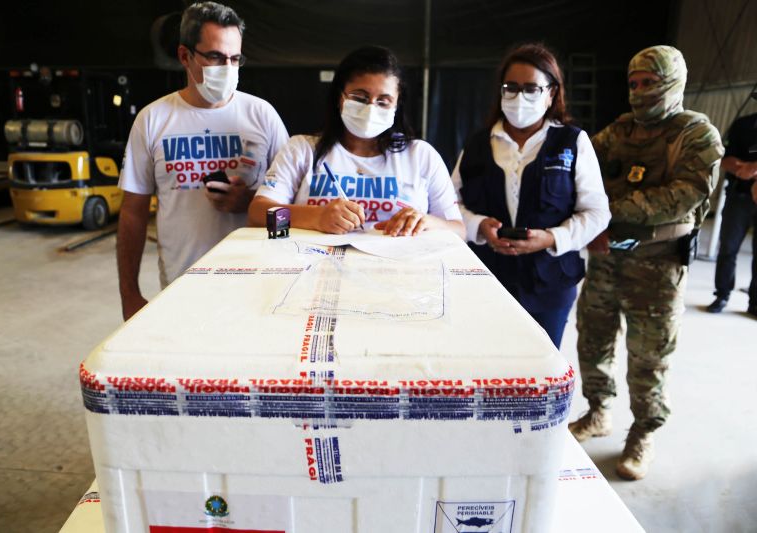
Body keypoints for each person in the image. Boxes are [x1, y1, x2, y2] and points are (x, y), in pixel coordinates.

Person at [569, 46, 724, 480]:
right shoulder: (619, 131)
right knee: (592, 342)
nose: (638, 92)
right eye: (633, 84)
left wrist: (607, 208)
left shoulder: (696, 135)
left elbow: (680, 196)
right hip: (607, 260)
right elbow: (582, 168)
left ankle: (643, 433)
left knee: (648, 357)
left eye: (648, 83)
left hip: (657, 269)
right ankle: (598, 411)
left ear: (672, 82)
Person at [117, 2, 288, 320]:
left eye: (235, 59)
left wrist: (250, 202)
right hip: (181, 291)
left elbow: (294, 207)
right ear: (185, 56)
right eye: (215, 57)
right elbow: (132, 212)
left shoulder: (261, 116)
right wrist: (129, 294)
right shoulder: (153, 120)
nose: (227, 68)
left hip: (257, 289)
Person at [451, 43, 610, 348]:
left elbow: (597, 212)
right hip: (487, 281)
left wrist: (552, 238)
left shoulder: (572, 142)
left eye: (531, 89)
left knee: (541, 373)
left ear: (551, 93)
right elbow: (449, 205)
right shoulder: (478, 144)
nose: (519, 97)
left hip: (550, 283)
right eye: (511, 88)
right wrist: (479, 225)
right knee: (490, 369)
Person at [247, 46, 465, 239]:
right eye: (359, 98)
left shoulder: (420, 155)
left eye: (383, 101)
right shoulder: (302, 149)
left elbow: (459, 231)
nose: (371, 108)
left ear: (397, 106)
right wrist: (316, 217)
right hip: (314, 272)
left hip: (398, 276)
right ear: (339, 97)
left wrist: (428, 222)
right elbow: (258, 215)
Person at [705, 112, 757, 316]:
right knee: (728, 247)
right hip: (739, 196)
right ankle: (722, 294)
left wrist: (754, 167)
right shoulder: (743, 125)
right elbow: (724, 158)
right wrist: (742, 169)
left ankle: (755, 303)